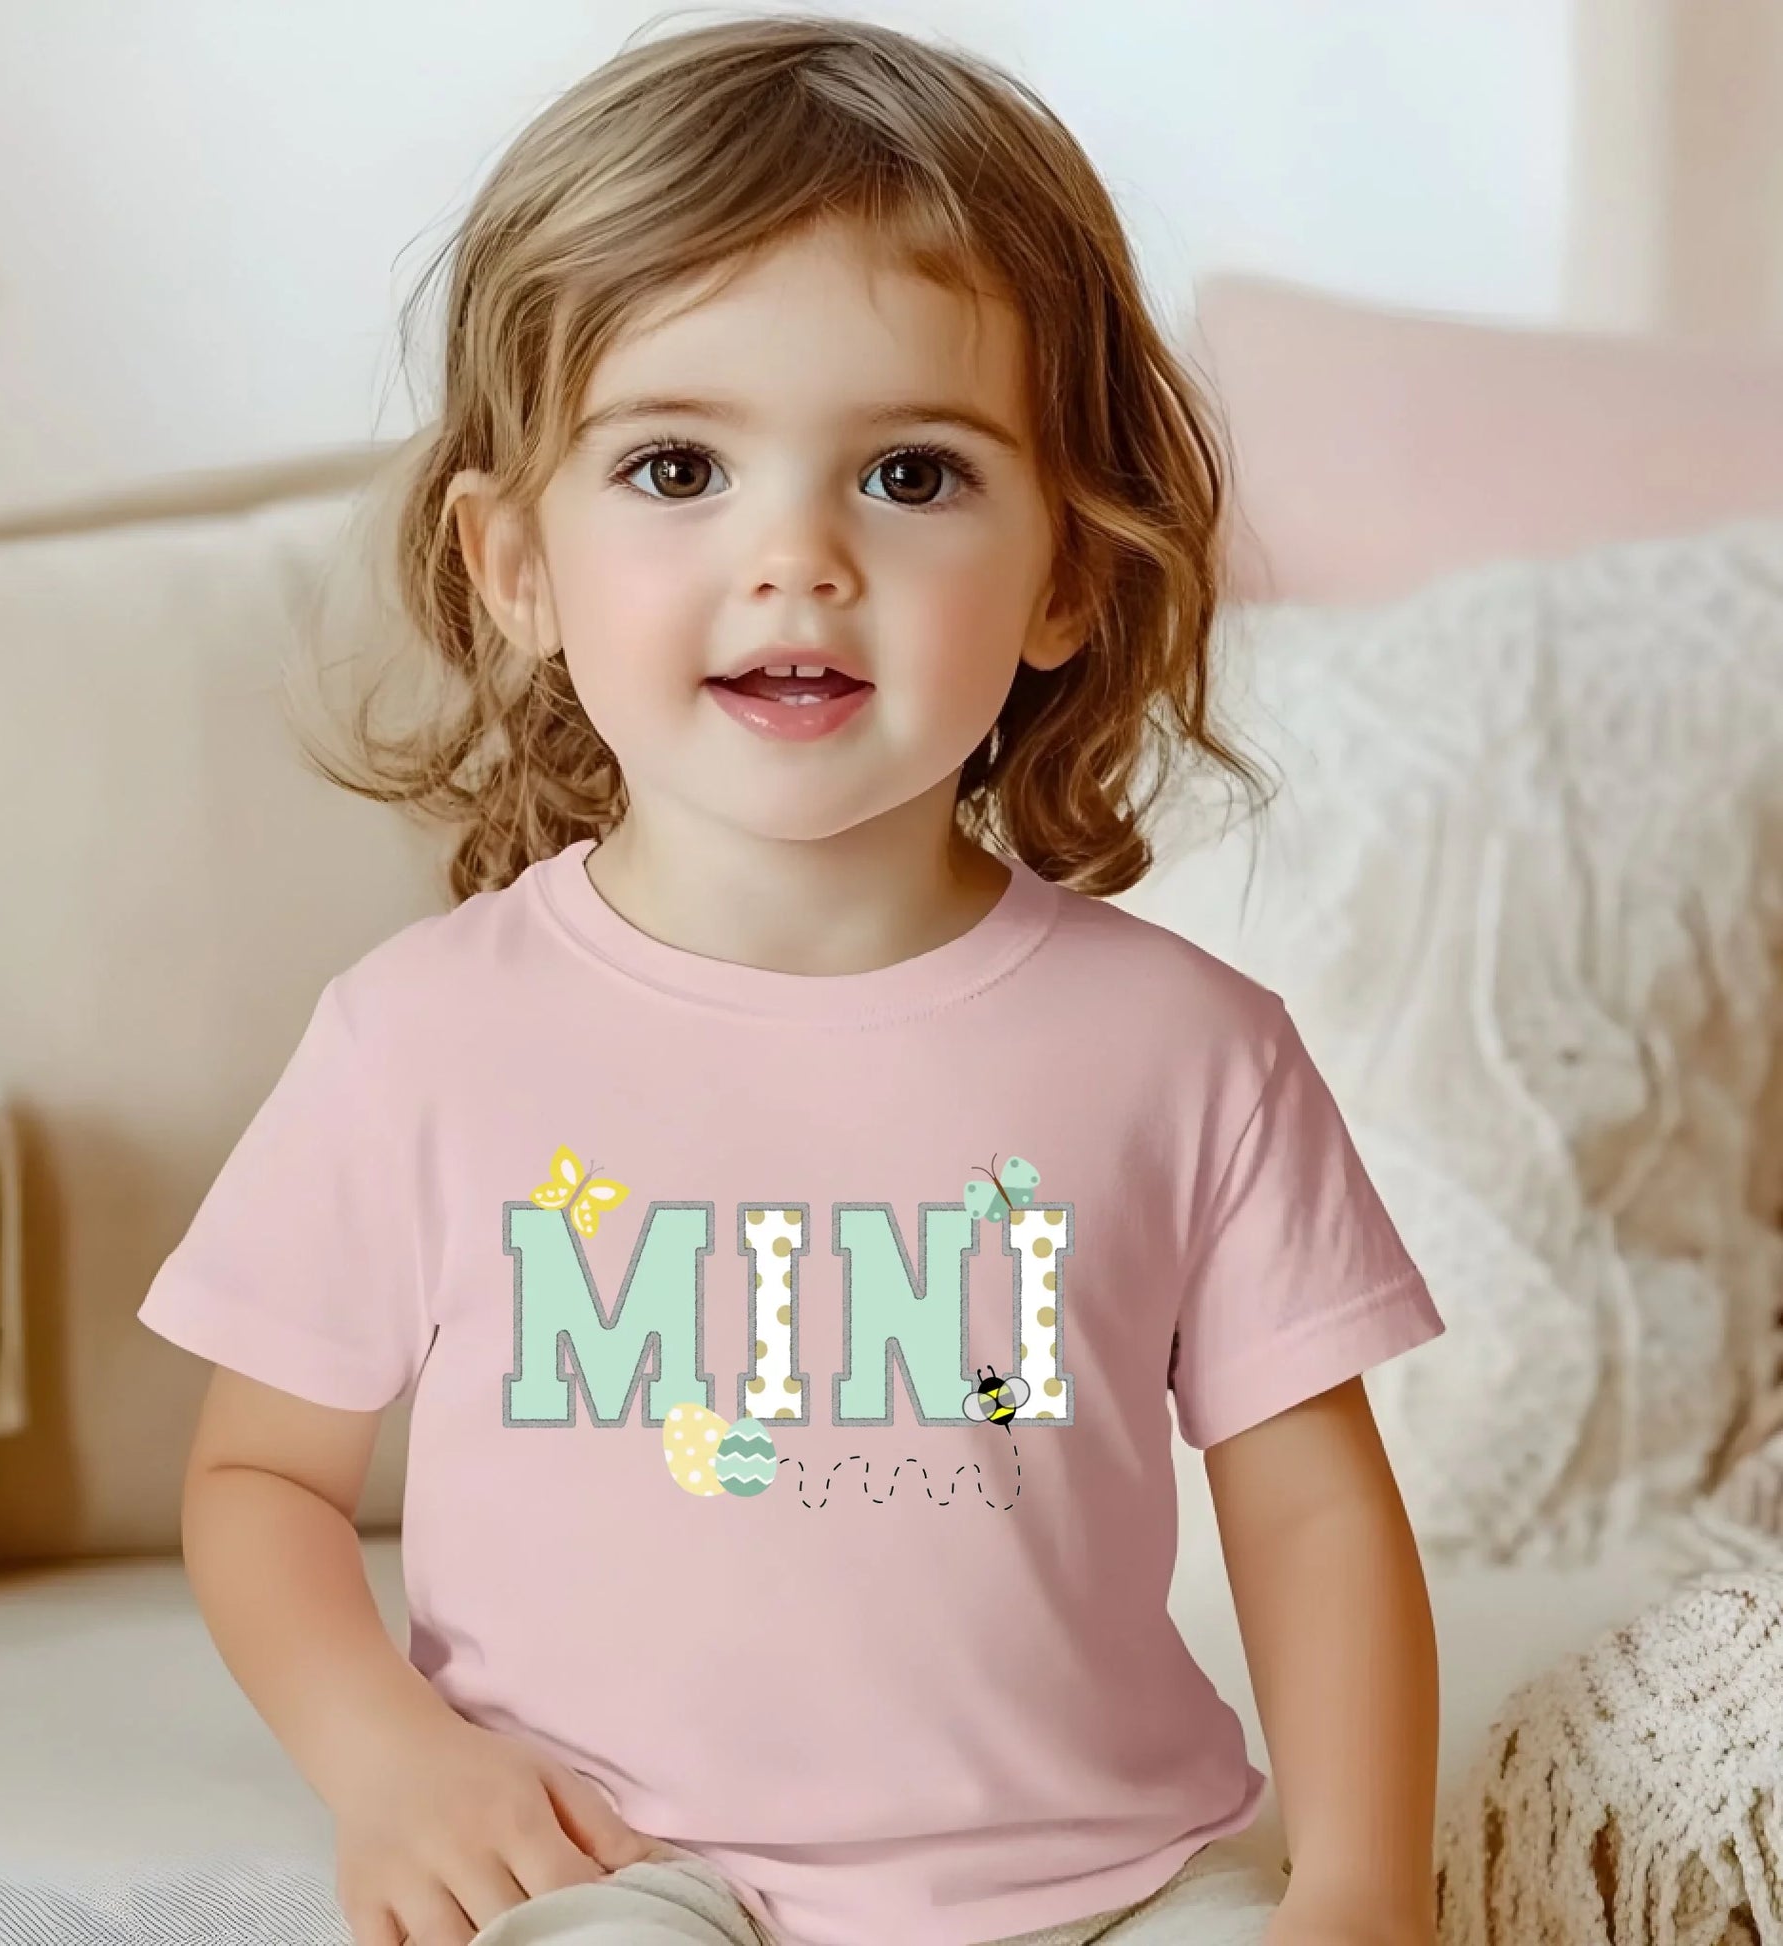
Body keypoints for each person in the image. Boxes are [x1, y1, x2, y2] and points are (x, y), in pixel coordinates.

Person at [138, 13, 1447, 1946]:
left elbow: (1314, 1508)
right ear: (513, 564)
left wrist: (1356, 1886)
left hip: (1114, 1879)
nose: (794, 557)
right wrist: (392, 1759)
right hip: (621, 1871)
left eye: (911, 475)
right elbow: (258, 1476)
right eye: (675, 464)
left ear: (1067, 572)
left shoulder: (1187, 1050)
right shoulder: (420, 1038)